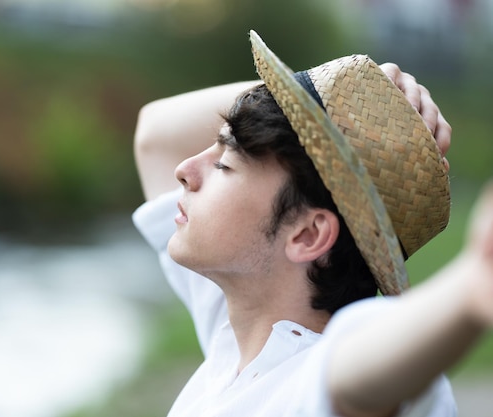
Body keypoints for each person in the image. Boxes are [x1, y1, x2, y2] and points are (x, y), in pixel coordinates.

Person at [132, 30, 492, 417]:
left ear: (307, 234)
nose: (184, 170)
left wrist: (473, 287)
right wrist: (327, 92)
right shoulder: (239, 340)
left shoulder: (315, 376)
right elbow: (155, 134)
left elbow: (358, 369)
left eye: (224, 164)